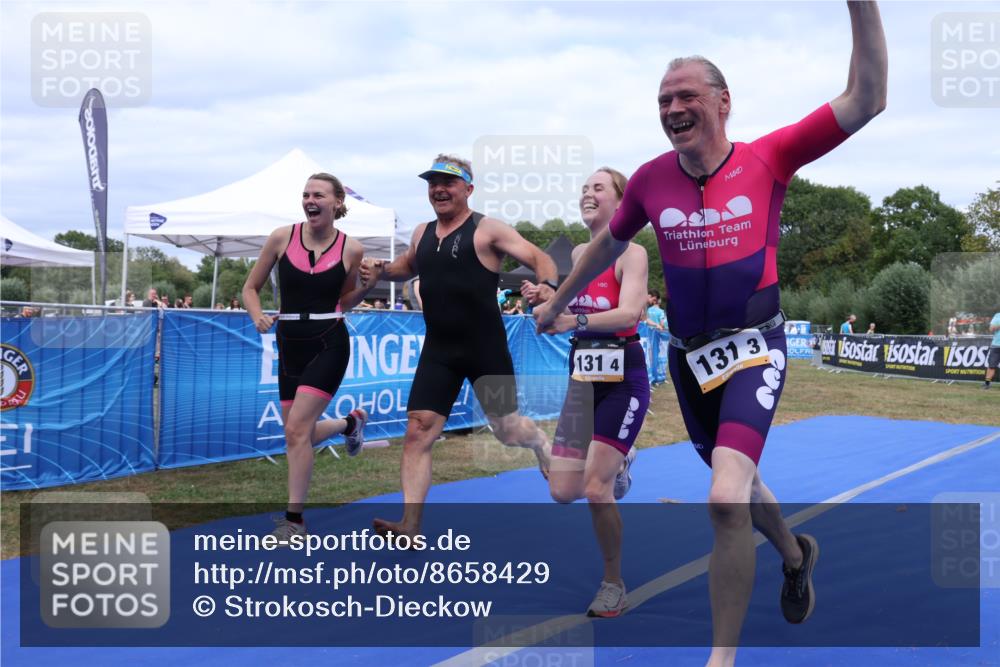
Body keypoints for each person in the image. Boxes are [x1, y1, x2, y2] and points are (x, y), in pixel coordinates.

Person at [533, 5, 887, 665]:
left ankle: (719, 657)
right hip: (688, 362)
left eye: (686, 95)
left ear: (723, 102)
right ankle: (794, 552)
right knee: (741, 483)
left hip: (754, 347)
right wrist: (560, 300)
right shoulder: (647, 180)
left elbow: (866, 97)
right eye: (663, 99)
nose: (672, 108)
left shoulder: (769, 157)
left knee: (725, 495)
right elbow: (607, 246)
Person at [361, 154, 558, 540]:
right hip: (439, 350)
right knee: (418, 430)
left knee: (508, 431)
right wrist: (381, 269)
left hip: (486, 349)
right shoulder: (421, 233)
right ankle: (411, 526)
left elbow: (539, 257)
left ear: (468, 188)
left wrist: (547, 286)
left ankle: (539, 442)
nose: (438, 189)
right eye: (433, 182)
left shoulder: (487, 230)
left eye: (448, 182)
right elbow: (407, 265)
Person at [530, 167, 650, 618]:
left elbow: (627, 313)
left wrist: (570, 321)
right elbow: (560, 307)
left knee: (597, 489)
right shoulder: (579, 252)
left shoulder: (632, 253)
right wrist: (543, 303)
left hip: (624, 378)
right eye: (583, 188)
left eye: (598, 188)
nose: (587, 193)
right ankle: (622, 460)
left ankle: (613, 583)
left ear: (620, 201)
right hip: (582, 380)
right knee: (562, 491)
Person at [242, 172, 379, 540]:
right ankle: (349, 425)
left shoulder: (352, 248)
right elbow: (250, 288)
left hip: (328, 340)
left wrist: (369, 286)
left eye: (318, 194)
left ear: (337, 203)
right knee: (296, 433)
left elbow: (344, 302)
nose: (309, 200)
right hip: (289, 341)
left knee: (296, 431)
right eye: (305, 194)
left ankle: (295, 522)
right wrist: (257, 314)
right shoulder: (280, 237)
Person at [984, 309, 1000, 389]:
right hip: (996, 345)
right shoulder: (997, 316)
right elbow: (991, 329)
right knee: (991, 366)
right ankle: (987, 384)